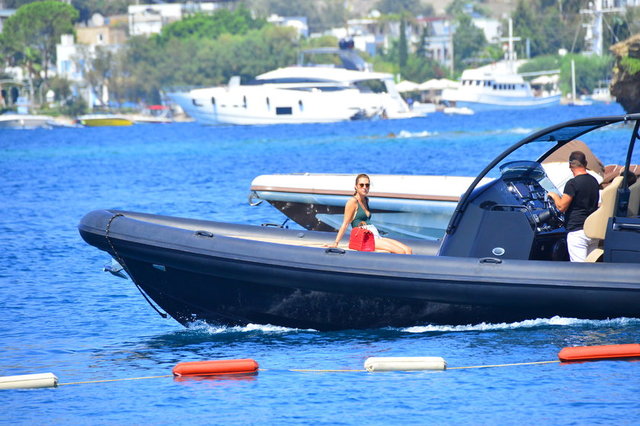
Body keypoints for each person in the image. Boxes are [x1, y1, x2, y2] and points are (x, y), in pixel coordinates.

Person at [328, 174, 412, 254]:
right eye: (361, 185)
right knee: (401, 251)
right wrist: (336, 242)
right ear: (356, 187)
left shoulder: (366, 200)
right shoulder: (352, 202)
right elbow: (345, 223)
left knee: (408, 250)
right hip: (365, 238)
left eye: (367, 185)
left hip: (375, 235)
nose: (364, 187)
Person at [548, 151, 600, 262]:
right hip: (592, 229)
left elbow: (561, 207)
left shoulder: (572, 183)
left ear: (570, 165)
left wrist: (554, 196)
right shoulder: (594, 181)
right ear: (585, 163)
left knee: (579, 268)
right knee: (592, 266)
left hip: (577, 231)